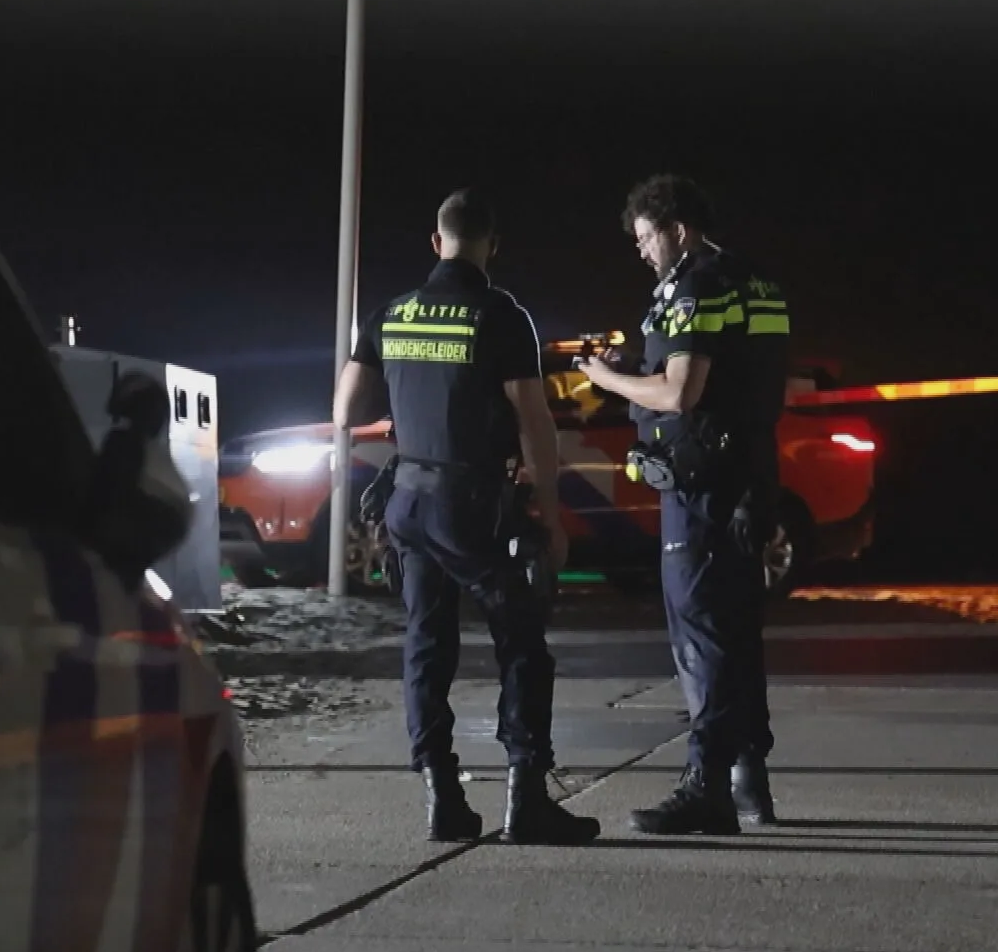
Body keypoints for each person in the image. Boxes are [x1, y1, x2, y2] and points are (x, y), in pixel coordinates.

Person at [335, 188, 601, 847]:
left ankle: (442, 798)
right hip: (476, 506)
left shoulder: (390, 314)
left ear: (436, 242)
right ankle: (527, 798)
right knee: (521, 646)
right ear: (493, 245)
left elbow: (345, 411)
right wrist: (547, 510)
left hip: (409, 504)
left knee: (427, 646)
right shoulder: (501, 315)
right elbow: (534, 419)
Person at [575, 174, 788, 834]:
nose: (642, 252)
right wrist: (640, 358)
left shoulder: (694, 287)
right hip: (750, 476)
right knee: (737, 634)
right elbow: (737, 375)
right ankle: (748, 780)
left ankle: (707, 787)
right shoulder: (758, 282)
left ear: (678, 229)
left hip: (701, 486)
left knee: (702, 637)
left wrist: (604, 377)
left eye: (646, 238)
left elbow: (680, 393)